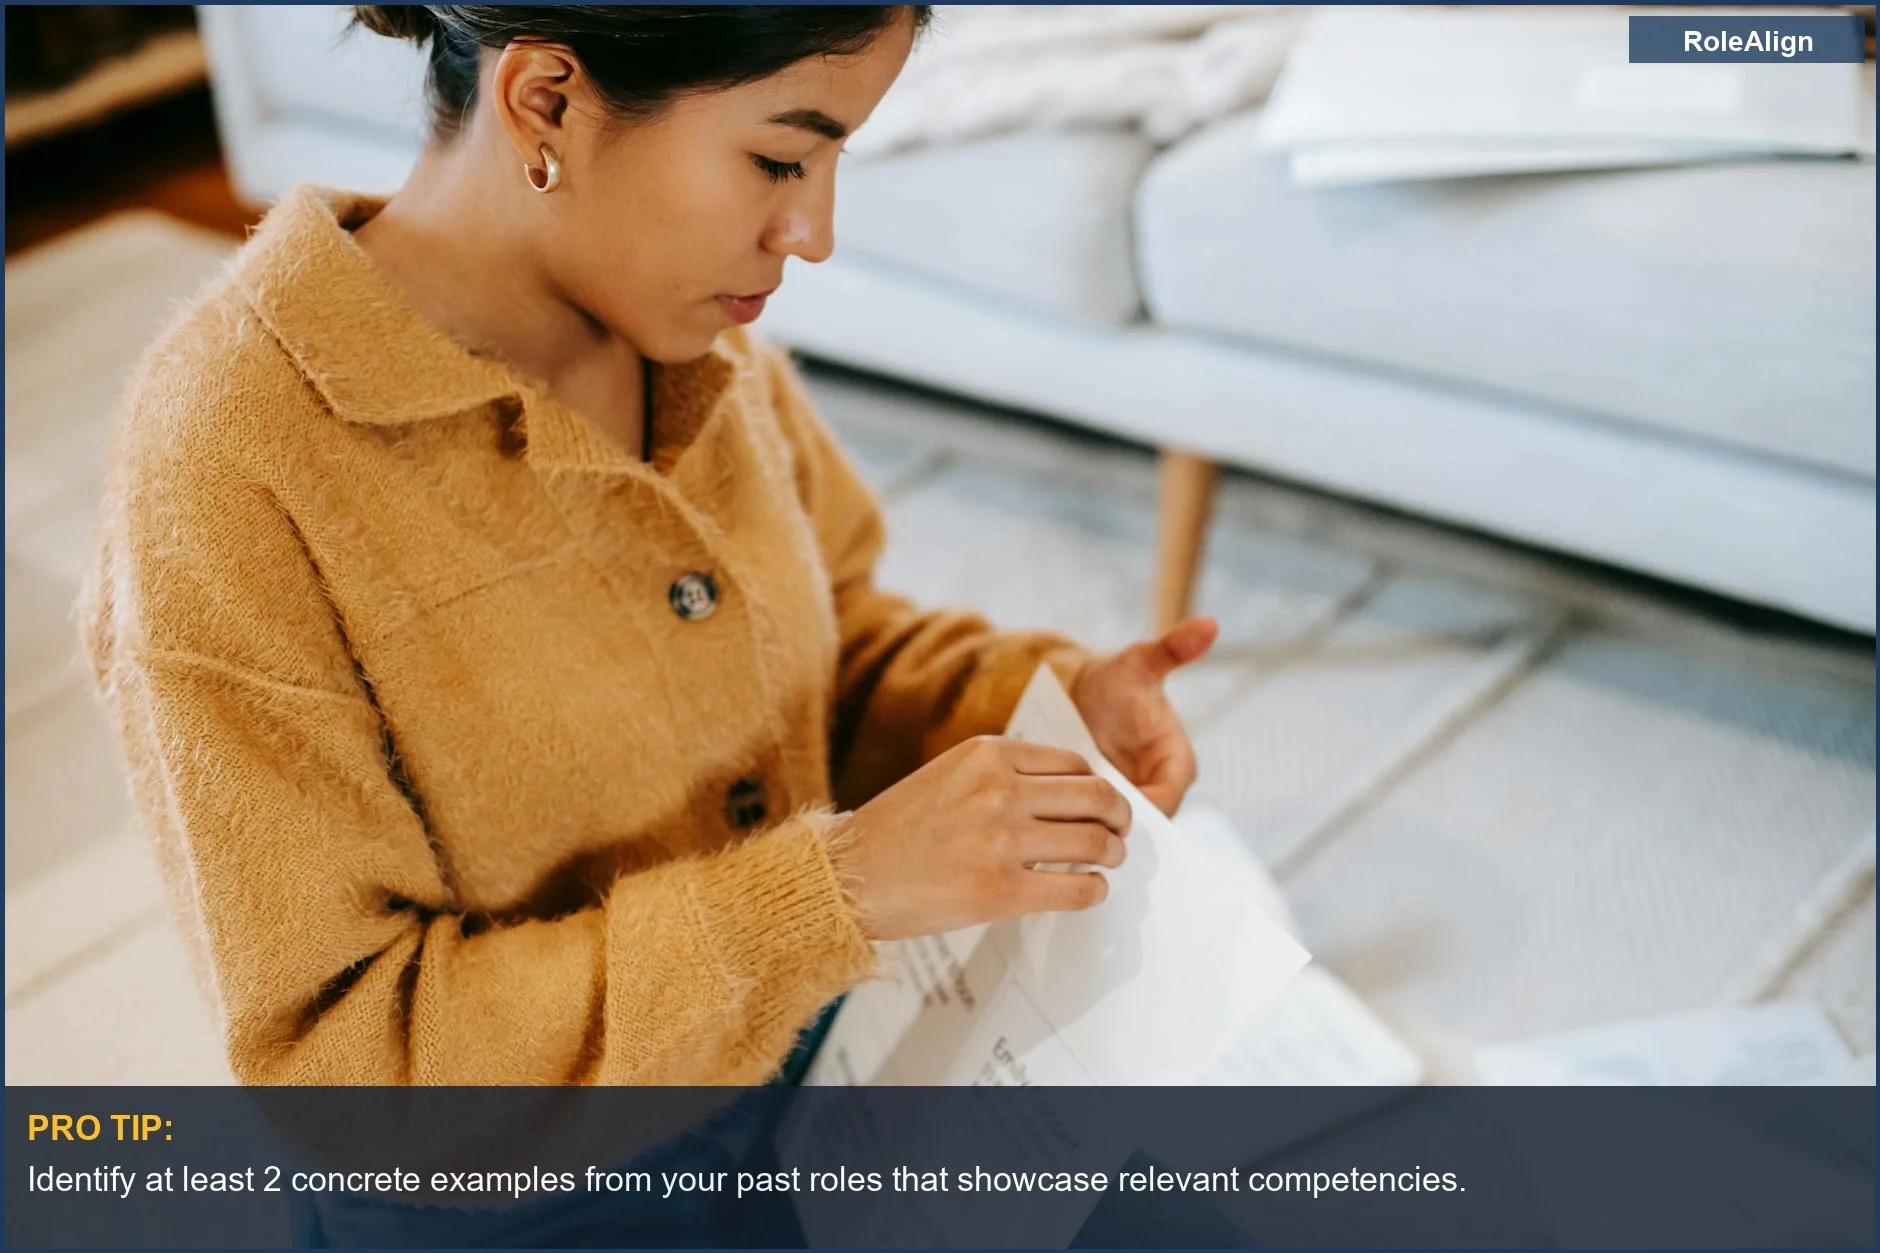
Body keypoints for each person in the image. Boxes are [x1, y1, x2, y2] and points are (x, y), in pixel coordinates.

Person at [83, 4, 1221, 1095]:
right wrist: (835, 895)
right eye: (781, 162)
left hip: (840, 1061)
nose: (813, 235)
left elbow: (821, 650)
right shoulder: (229, 463)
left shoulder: (693, 345)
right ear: (546, 102)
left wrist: (1039, 704)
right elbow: (349, 1059)